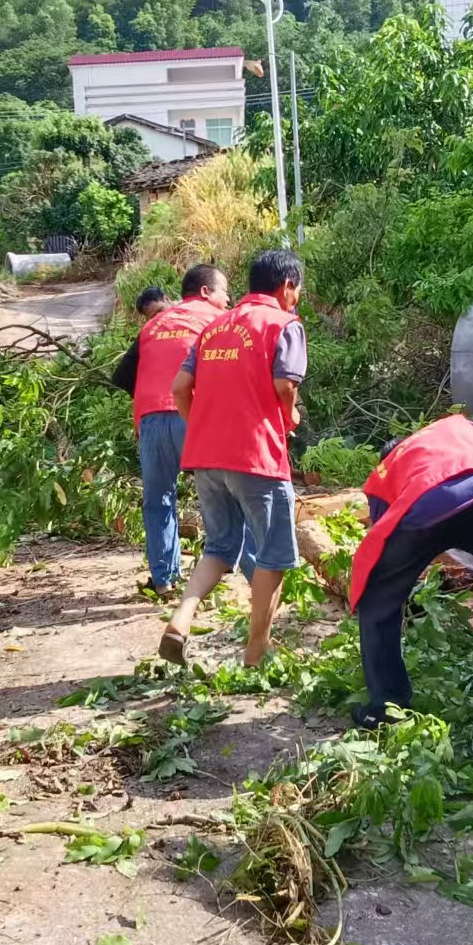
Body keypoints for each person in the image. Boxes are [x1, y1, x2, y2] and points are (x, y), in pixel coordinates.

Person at [348, 414, 473, 733]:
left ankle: (387, 709)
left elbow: (385, 541)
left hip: (430, 498)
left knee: (379, 597)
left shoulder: (385, 471)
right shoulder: (459, 426)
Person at [160, 248, 307, 668]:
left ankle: (181, 618)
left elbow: (179, 387)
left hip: (206, 457)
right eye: (297, 291)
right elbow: (284, 385)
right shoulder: (285, 324)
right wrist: (290, 413)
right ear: (287, 286)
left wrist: (202, 427)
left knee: (220, 547)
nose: (296, 298)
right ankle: (257, 651)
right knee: (274, 555)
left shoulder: (215, 327)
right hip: (256, 455)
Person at [110, 265, 232, 597]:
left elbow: (120, 377)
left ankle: (164, 580)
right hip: (192, 414)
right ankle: (222, 569)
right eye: (225, 293)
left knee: (158, 500)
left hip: (151, 419)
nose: (228, 299)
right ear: (206, 292)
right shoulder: (217, 319)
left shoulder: (155, 324)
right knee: (220, 492)